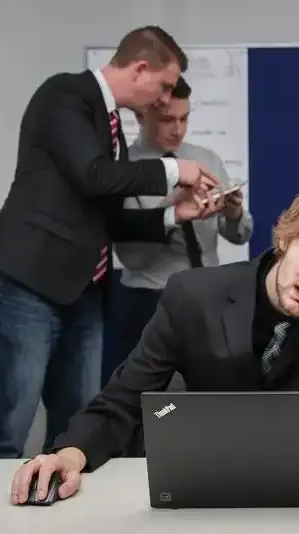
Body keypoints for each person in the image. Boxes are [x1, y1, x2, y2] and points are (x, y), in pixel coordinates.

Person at [10, 179, 299, 505]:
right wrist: (69, 454)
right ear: (288, 237)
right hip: (199, 492)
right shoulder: (194, 296)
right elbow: (123, 399)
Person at [0, 25, 222, 460]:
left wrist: (174, 215)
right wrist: (175, 171)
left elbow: (108, 217)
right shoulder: (64, 95)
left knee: (77, 431)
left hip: (85, 293)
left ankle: (55, 502)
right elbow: (93, 176)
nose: (164, 99)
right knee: (6, 429)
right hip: (28, 284)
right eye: (164, 86)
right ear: (140, 69)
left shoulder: (111, 128)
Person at [106, 76, 254, 384]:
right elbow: (132, 259)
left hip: (210, 296)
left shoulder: (206, 159)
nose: (178, 129)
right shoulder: (125, 170)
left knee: (213, 393)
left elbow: (240, 235)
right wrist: (172, 208)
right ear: (141, 116)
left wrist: (233, 213)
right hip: (149, 300)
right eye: (167, 120)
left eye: (184, 118)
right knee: (148, 398)